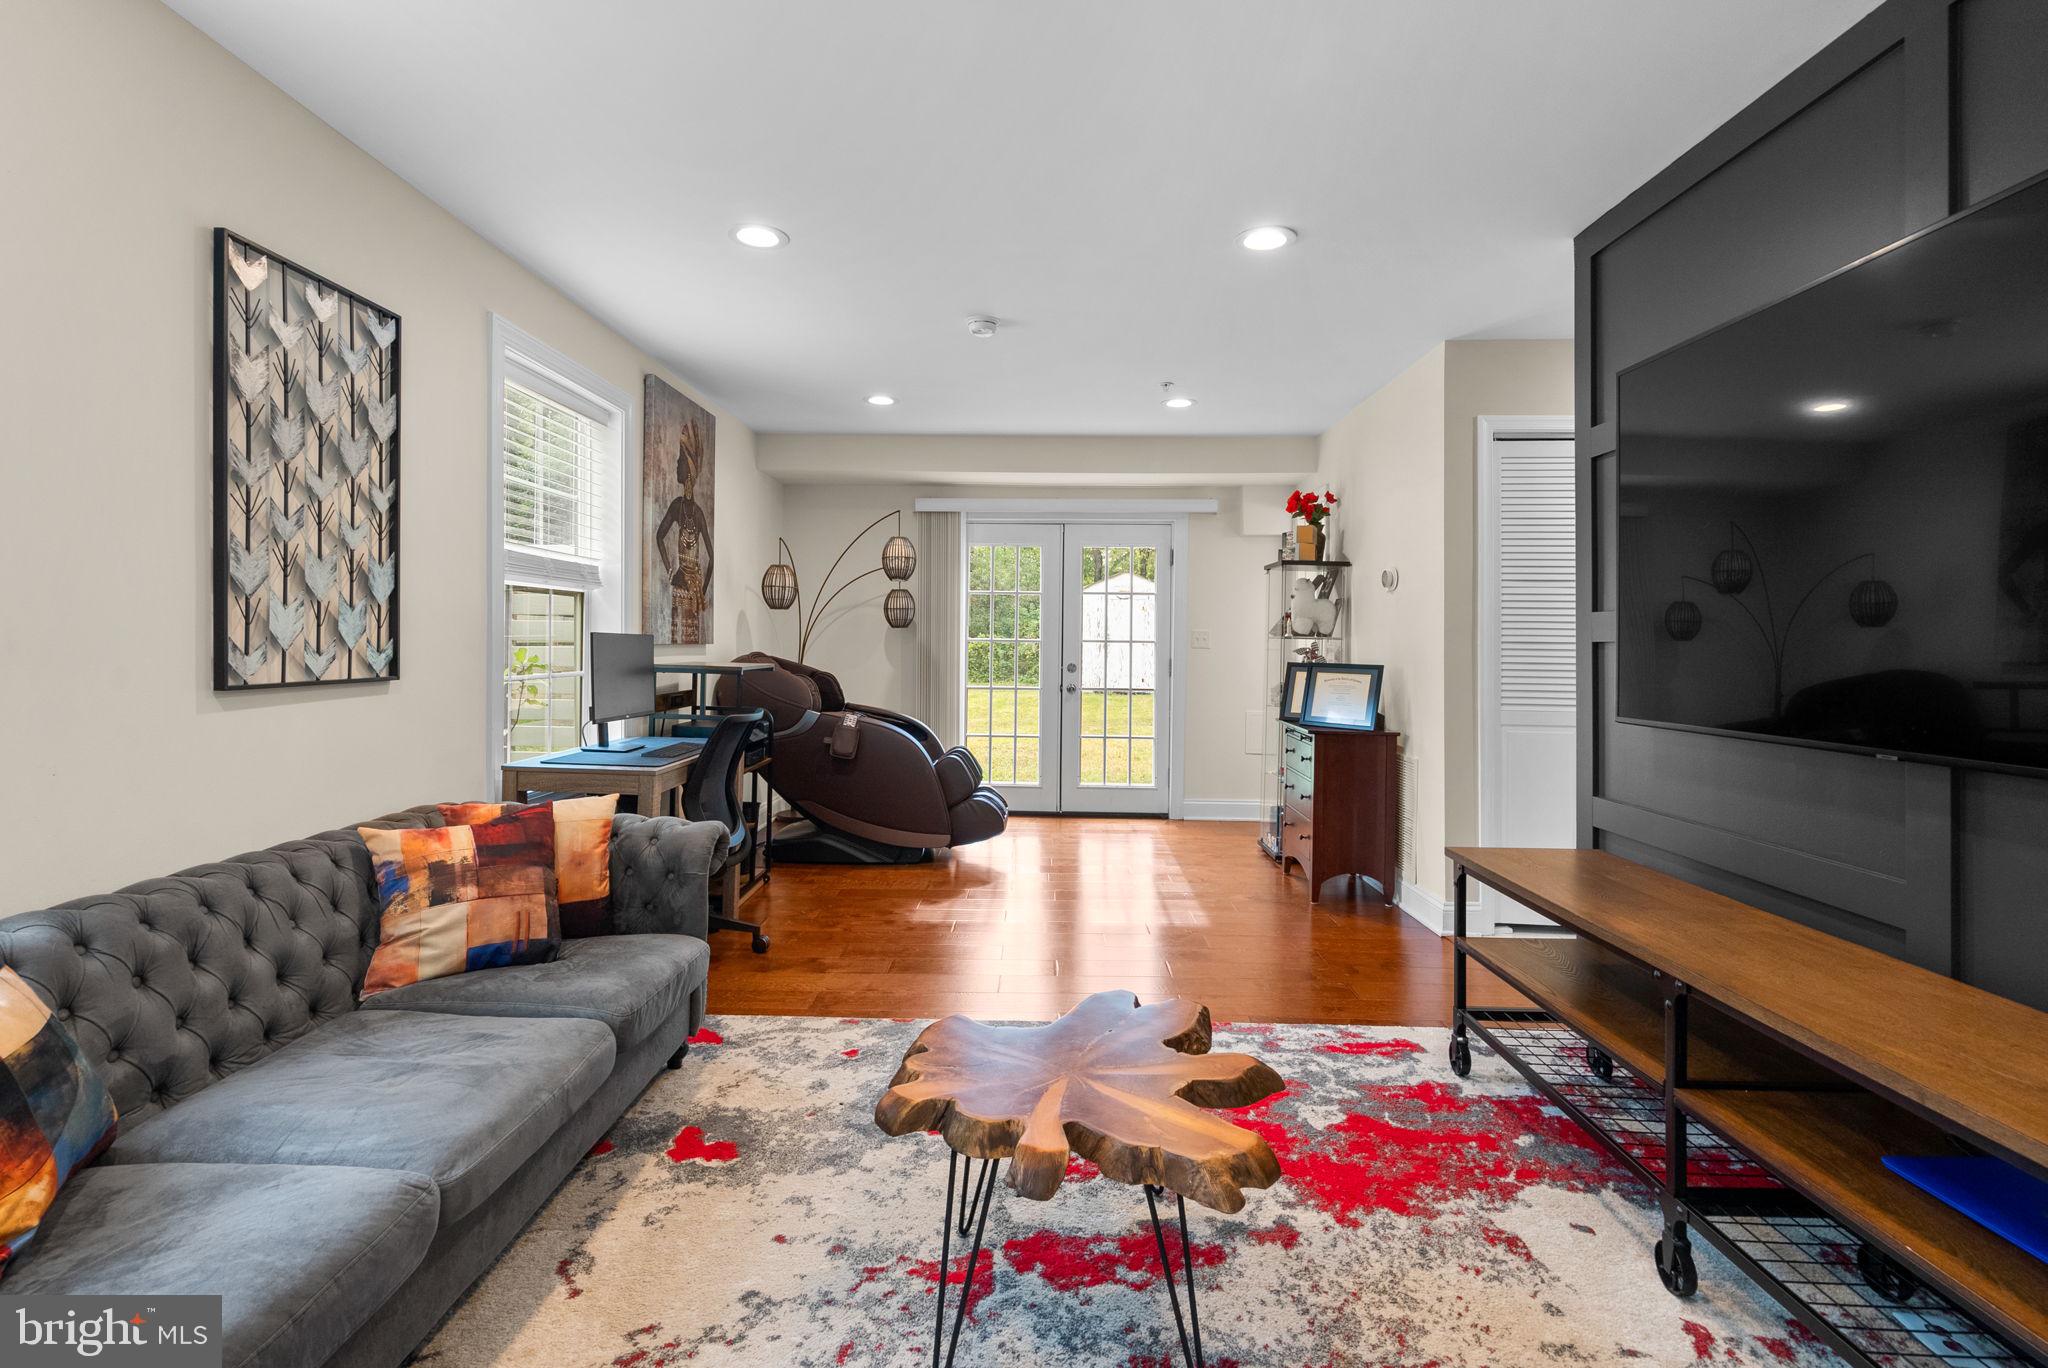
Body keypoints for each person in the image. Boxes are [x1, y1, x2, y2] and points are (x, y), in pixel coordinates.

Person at [655, 416, 712, 642]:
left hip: (693, 583)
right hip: (682, 580)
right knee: (676, 633)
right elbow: (659, 537)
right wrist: (670, 569)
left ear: (688, 470)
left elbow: (712, 556)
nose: (676, 465)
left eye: (679, 461)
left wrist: (703, 590)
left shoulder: (696, 512)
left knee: (689, 634)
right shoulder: (678, 507)